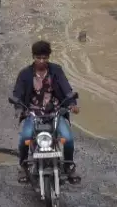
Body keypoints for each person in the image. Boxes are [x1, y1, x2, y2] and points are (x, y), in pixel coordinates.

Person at [12, 40, 80, 183]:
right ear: (33, 57)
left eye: (44, 58)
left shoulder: (57, 70)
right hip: (33, 114)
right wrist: (19, 108)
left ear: (49, 57)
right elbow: (17, 94)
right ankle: (23, 166)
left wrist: (72, 104)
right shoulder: (25, 74)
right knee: (25, 139)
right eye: (38, 58)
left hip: (55, 112)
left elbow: (66, 89)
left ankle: (69, 166)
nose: (41, 61)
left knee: (67, 139)